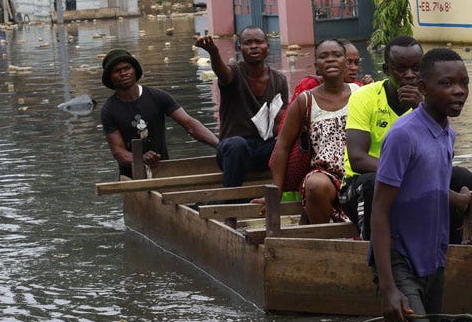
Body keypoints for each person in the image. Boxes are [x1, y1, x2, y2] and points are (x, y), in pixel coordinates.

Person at [371, 47, 472, 322]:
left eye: (463, 83)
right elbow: (379, 211)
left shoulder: (447, 133)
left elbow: (433, 192)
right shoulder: (402, 135)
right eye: (447, 83)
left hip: (433, 261)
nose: (458, 91)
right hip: (401, 261)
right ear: (424, 89)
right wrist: (388, 288)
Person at [342, 36, 472, 241]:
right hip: (366, 183)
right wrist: (408, 176)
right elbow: (357, 159)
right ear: (386, 70)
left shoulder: (430, 101)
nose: (410, 75)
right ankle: (373, 253)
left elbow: (444, 156)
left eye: (416, 68)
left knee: (462, 177)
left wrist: (420, 108)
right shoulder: (364, 97)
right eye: (401, 69)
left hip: (416, 180)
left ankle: (453, 248)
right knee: (372, 184)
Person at [270, 39, 356, 223]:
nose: (331, 60)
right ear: (316, 65)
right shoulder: (305, 101)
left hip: (358, 170)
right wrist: (276, 190)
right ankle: (323, 239)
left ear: (346, 62)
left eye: (337, 55)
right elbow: (283, 145)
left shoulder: (361, 93)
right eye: (324, 57)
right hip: (325, 174)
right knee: (315, 185)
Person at [99, 48, 218, 178]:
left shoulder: (157, 96)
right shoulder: (109, 110)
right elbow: (118, 151)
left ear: (134, 70)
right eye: (117, 71)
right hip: (131, 177)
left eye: (127, 68)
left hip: (163, 171)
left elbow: (189, 124)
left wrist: (219, 145)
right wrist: (140, 158)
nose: (123, 73)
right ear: (110, 77)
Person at [196, 26, 290, 187]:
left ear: (267, 46)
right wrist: (214, 53)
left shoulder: (279, 80)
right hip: (232, 150)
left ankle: (287, 191)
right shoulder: (234, 72)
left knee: (293, 143)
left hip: (262, 150)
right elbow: (222, 73)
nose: (254, 46)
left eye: (258, 42)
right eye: (248, 43)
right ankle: (232, 202)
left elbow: (280, 123)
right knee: (237, 145)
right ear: (240, 48)